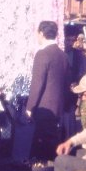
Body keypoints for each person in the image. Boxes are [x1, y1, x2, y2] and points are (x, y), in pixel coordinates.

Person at [26, 21, 70, 161]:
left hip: (43, 107)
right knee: (52, 141)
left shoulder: (42, 54)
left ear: (41, 33)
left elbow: (37, 83)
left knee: (41, 144)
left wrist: (30, 106)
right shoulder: (63, 55)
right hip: (58, 107)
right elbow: (67, 82)